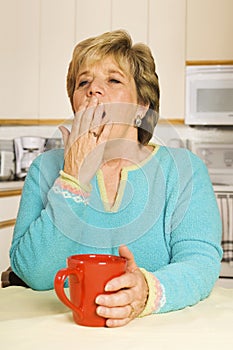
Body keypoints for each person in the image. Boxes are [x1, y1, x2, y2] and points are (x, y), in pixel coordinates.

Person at [9, 30, 222, 327]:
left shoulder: (185, 170)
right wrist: (73, 179)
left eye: (113, 80)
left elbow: (200, 264)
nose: (93, 90)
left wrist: (147, 291)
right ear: (75, 103)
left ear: (141, 108)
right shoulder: (45, 169)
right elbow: (34, 273)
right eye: (83, 82)